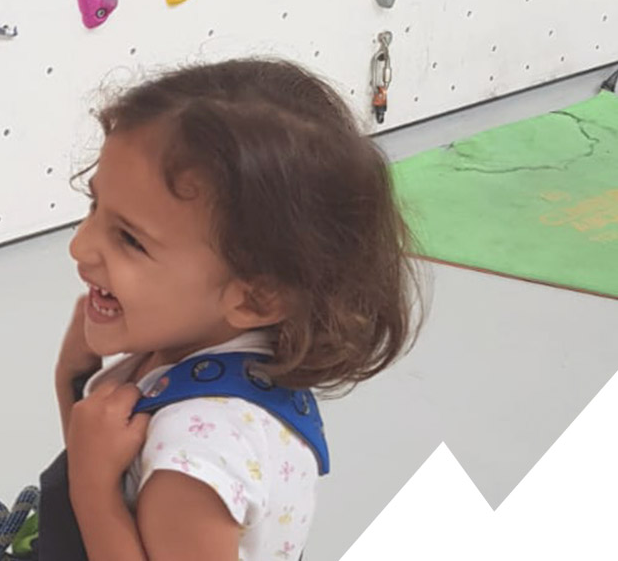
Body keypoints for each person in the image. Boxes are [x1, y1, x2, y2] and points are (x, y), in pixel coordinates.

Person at [45, 58, 421, 560]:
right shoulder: (219, 346)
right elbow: (109, 449)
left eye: (130, 240)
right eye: (95, 208)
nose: (80, 246)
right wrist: (75, 379)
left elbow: (104, 492)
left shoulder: (194, 462)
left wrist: (93, 493)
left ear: (256, 297)